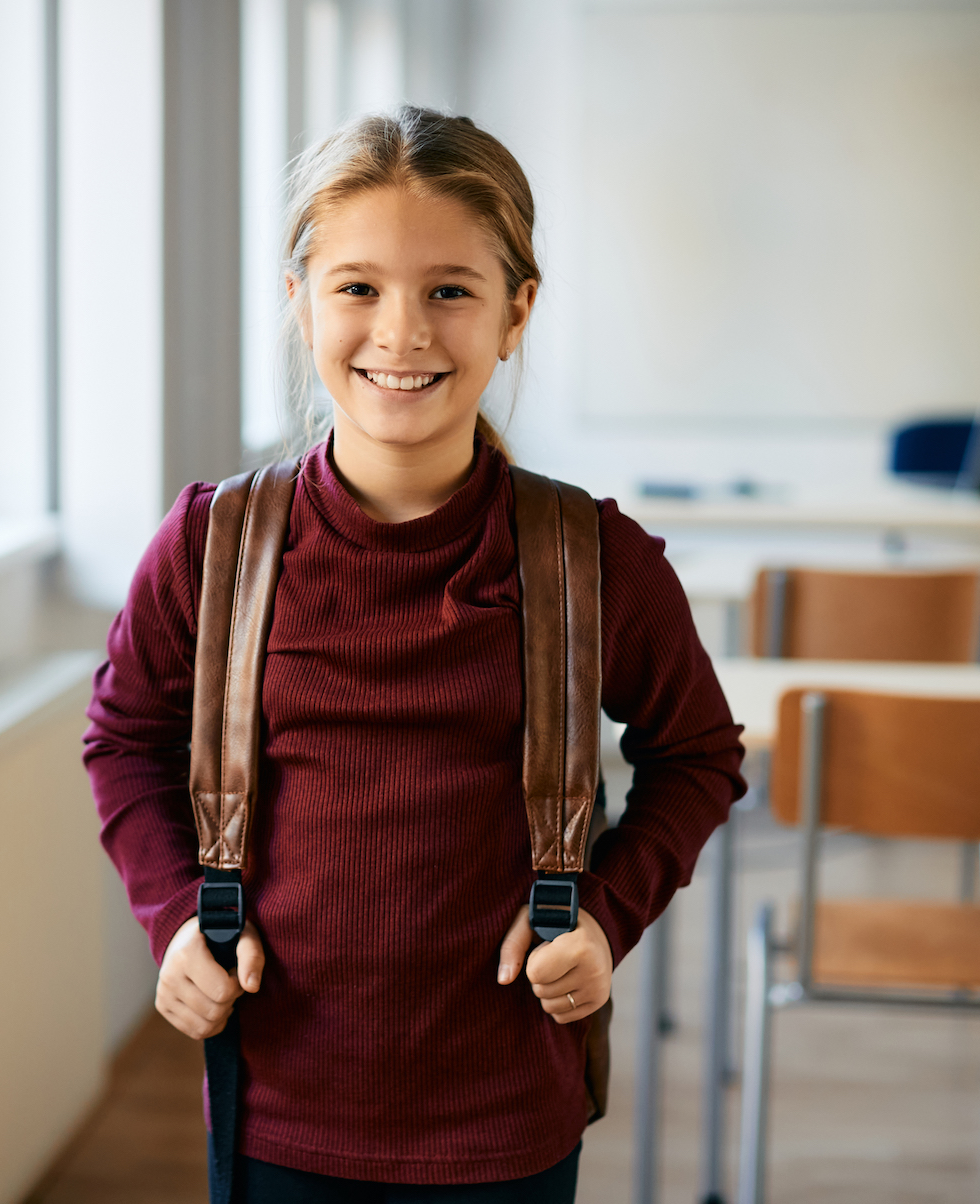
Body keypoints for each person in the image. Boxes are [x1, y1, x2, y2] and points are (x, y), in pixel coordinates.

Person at [83, 105, 744, 1202]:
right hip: (278, 1101)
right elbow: (127, 737)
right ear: (300, 303)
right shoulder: (211, 543)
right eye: (357, 288)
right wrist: (171, 921)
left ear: (516, 310)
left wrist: (605, 915)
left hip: (505, 1108)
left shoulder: (593, 558)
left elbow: (700, 753)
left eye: (450, 289)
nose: (402, 333)